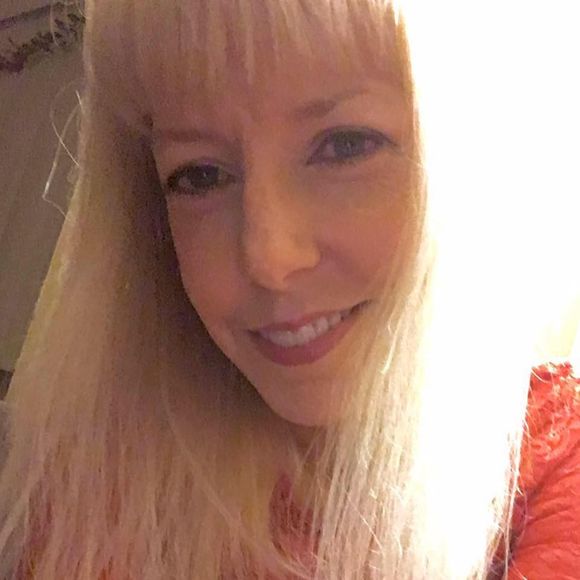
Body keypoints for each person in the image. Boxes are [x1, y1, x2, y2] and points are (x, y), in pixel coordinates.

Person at [0, 0, 578, 578]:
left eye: (346, 145)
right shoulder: (88, 491)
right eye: (200, 174)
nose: (268, 259)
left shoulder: (557, 459)